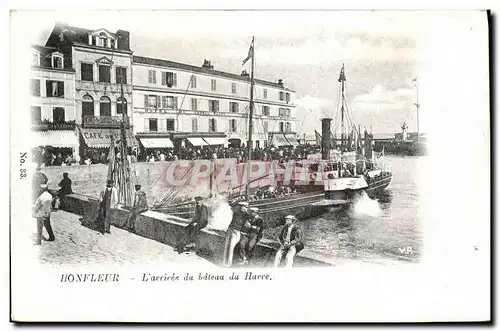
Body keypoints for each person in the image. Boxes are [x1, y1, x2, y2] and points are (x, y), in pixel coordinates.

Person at [223, 201, 250, 267]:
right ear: (243, 207)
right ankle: (229, 264)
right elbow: (248, 224)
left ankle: (224, 263)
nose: (246, 208)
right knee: (231, 247)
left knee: (227, 247)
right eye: (245, 207)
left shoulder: (236, 212)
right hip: (236, 231)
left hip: (230, 229)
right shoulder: (245, 214)